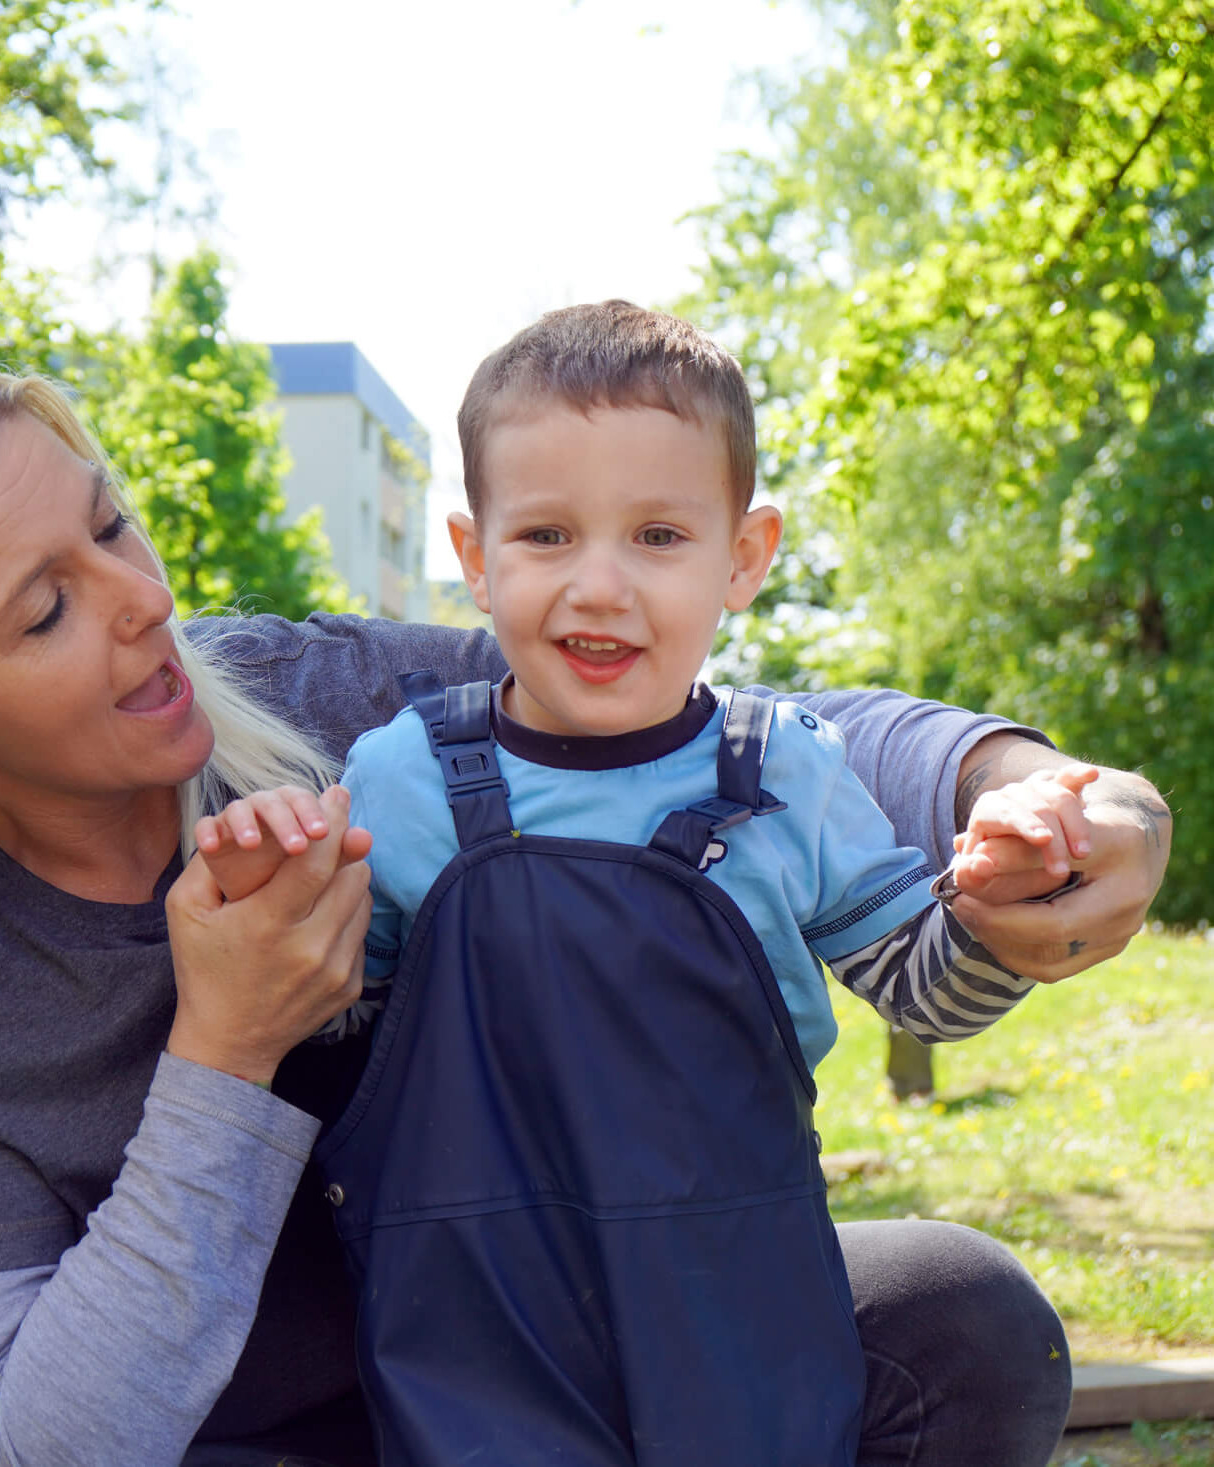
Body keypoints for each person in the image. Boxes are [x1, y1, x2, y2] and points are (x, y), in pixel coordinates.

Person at [0, 360, 1168, 1467]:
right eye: (42, 609)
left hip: (587, 1333)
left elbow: (710, 734)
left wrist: (1035, 786)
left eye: (111, 522)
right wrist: (223, 1053)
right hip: (278, 1435)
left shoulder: (330, 708)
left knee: (951, 1318)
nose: (142, 601)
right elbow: (34, 1438)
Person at [196, 302, 1101, 1466]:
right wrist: (274, 893)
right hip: (473, 1349)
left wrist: (996, 906)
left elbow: (933, 1002)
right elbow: (325, 1028)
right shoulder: (405, 780)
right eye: (548, 537)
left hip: (739, 1336)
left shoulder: (789, 776)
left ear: (745, 557)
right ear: (477, 560)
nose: (600, 587)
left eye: (660, 537)